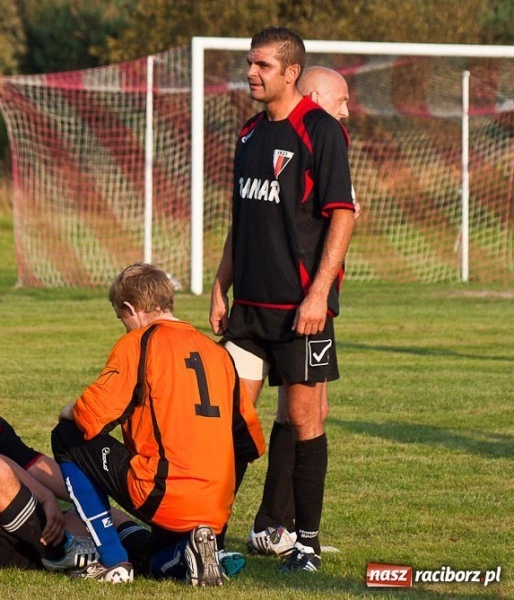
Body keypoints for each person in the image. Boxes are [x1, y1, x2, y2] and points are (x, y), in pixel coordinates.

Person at [209, 28, 356, 573]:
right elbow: (241, 219)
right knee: (230, 422)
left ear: (291, 72)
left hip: (301, 312)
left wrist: (318, 295)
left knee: (303, 419)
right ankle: (208, 533)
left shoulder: (321, 131)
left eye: (263, 65)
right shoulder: (249, 133)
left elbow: (342, 215)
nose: (251, 73)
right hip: (249, 310)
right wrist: (221, 285)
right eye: (250, 63)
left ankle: (306, 544)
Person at [52, 263, 265, 585]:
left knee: (67, 435)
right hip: (213, 509)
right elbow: (249, 443)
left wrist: (67, 410)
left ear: (130, 308)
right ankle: (196, 549)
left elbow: (90, 415)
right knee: (151, 559)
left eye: (121, 318)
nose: (124, 327)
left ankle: (113, 561)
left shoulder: (139, 342)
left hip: (163, 493)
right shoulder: (217, 353)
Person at [0, 353, 146, 572]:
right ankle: (61, 550)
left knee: (106, 517)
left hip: (15, 534)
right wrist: (47, 498)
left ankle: (157, 556)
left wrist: (97, 494)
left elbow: (35, 465)